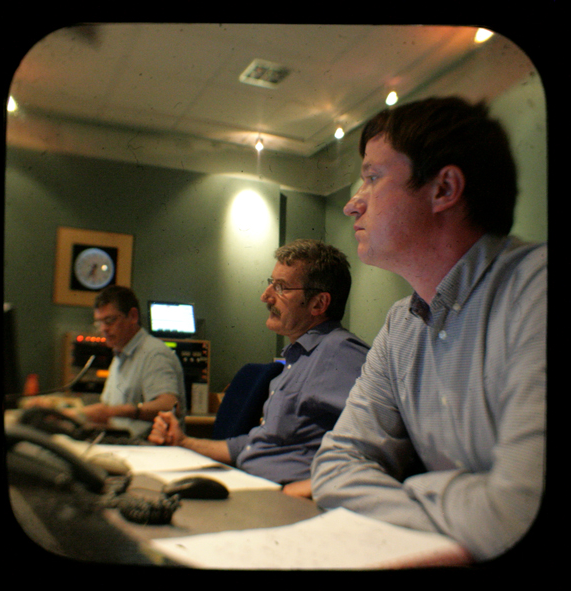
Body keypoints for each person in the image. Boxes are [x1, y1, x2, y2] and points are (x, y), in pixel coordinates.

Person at [311, 96, 546, 562]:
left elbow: (521, 513)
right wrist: (467, 500)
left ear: (444, 189)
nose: (352, 205)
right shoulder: (401, 325)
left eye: (372, 178)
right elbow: (333, 467)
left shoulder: (536, 293)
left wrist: (413, 489)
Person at [149, 239, 369, 498]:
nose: (265, 296)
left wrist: (309, 488)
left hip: (282, 497)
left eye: (281, 287)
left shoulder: (339, 352)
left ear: (319, 304)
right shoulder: (298, 358)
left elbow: (379, 443)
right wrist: (184, 442)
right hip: (251, 483)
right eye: (271, 283)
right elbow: (256, 445)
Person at [66, 285, 186, 431]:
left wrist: (121, 412)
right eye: (99, 323)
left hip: (148, 444)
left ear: (133, 316)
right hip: (122, 441)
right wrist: (71, 415)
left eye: (109, 320)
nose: (103, 328)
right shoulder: (119, 355)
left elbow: (170, 405)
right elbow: (108, 410)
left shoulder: (154, 353)